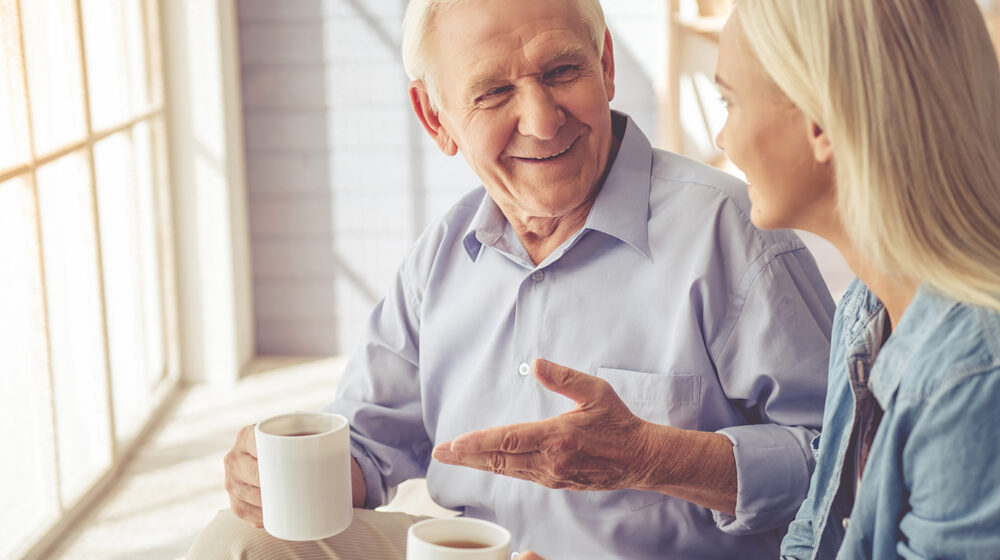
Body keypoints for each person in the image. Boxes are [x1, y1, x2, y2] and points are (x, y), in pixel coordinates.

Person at [188, 0, 835, 558]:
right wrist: (282, 475)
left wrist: (651, 457)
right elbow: (368, 442)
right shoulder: (439, 258)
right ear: (435, 118)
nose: (543, 120)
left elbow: (846, 462)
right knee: (237, 544)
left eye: (561, 71)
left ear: (605, 65)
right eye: (494, 92)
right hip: (473, 551)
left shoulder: (732, 232)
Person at [709, 0, 1000, 558]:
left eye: (729, 102)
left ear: (820, 122)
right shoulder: (867, 307)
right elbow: (813, 536)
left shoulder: (973, 380)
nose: (722, 139)